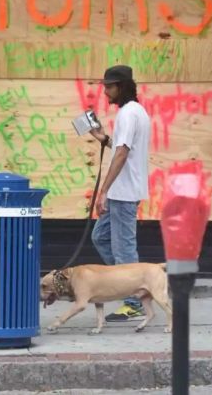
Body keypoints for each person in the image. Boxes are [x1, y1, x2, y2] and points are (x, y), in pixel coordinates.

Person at [89, 64, 151, 321]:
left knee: (125, 249)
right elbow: (122, 147)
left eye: (109, 87)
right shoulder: (135, 112)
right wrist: (104, 140)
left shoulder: (128, 113)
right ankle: (128, 287)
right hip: (120, 192)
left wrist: (103, 190)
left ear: (122, 87)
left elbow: (123, 153)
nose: (105, 92)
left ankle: (135, 301)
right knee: (100, 237)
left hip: (123, 193)